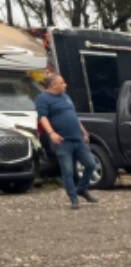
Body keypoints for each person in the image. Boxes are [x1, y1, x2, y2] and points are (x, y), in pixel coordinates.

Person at [35, 74, 98, 209]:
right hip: (62, 141)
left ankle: (81, 189)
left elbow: (73, 115)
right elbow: (43, 118)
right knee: (68, 170)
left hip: (77, 138)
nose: (65, 85)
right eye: (62, 83)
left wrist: (83, 131)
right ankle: (73, 198)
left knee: (90, 164)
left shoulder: (66, 97)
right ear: (53, 85)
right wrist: (51, 133)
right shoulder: (43, 99)